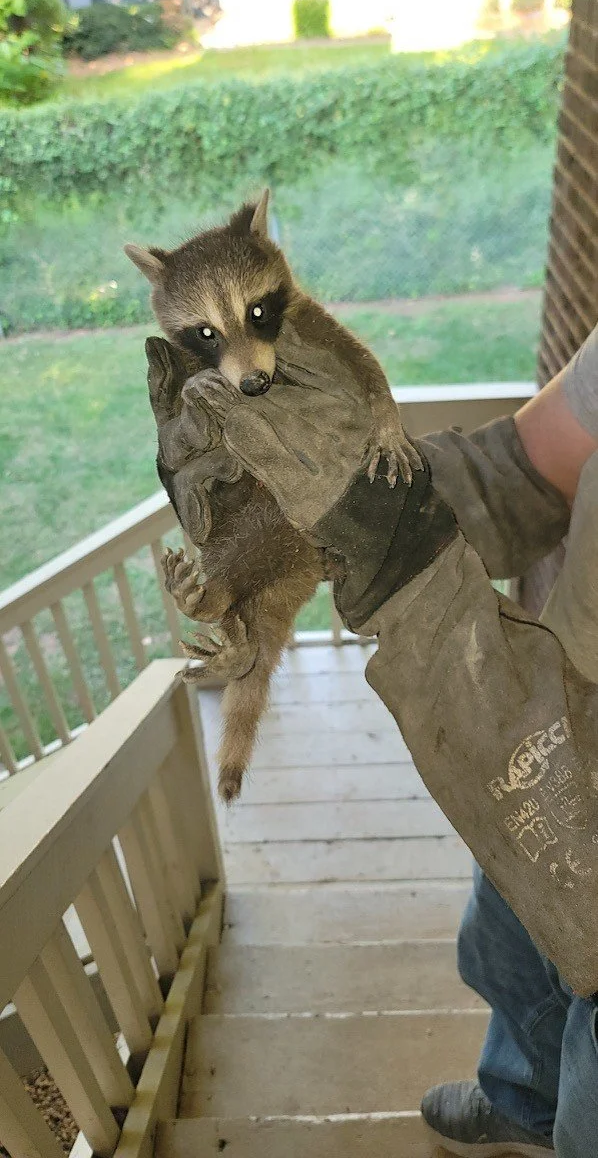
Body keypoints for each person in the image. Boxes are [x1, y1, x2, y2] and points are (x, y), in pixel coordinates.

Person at [147, 322, 598, 1158]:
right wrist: (360, 497)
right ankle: (523, 1098)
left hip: (542, 733)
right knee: (505, 951)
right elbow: (529, 470)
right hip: (546, 710)